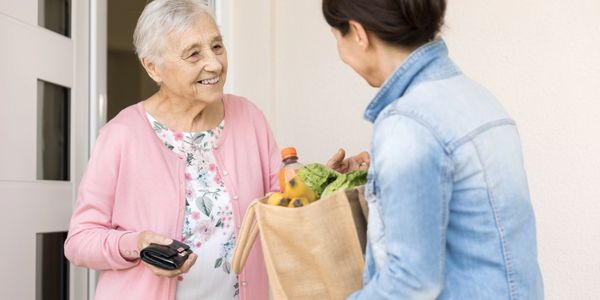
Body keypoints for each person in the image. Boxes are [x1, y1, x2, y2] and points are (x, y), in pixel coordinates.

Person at [322, 0, 544, 299]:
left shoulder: (408, 124)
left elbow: (411, 282)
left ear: (358, 33)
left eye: (338, 37)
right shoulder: (477, 99)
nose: (340, 54)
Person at [64, 1, 280, 299]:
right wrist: (135, 243)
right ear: (152, 67)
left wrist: (320, 182)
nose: (215, 64)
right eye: (194, 54)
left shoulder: (249, 117)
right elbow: (79, 241)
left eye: (217, 47)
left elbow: (281, 204)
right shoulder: (121, 135)